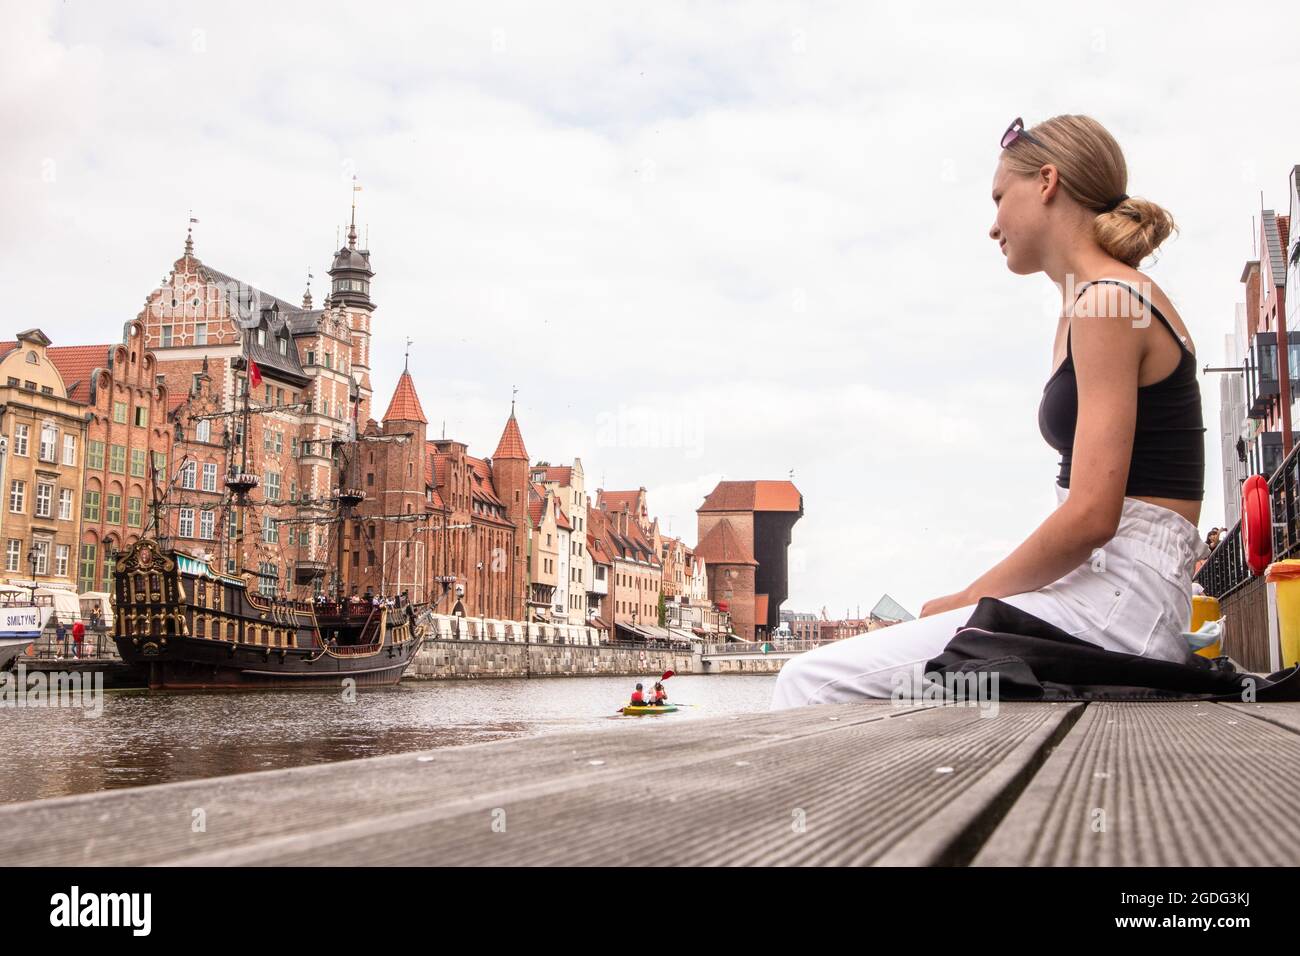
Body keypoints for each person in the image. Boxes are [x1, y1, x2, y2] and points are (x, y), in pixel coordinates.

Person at [774, 114, 1209, 708]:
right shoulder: (1090, 303)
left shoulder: (1109, 301)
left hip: (1119, 609)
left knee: (808, 682)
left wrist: (967, 599)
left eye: (1000, 198)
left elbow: (1091, 517)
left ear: (1047, 182)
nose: (992, 225)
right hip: (1112, 597)